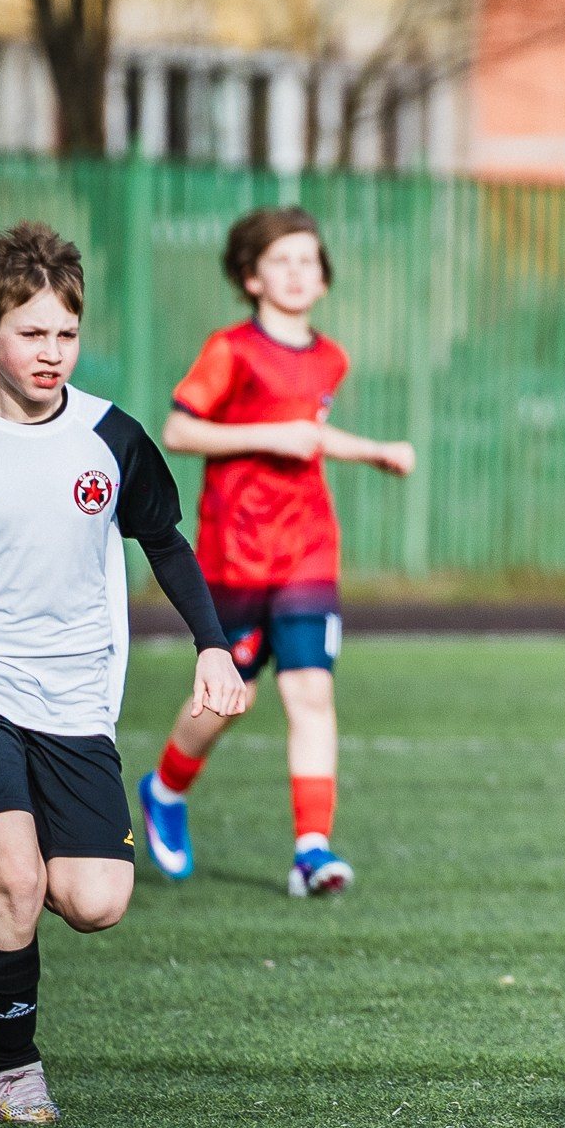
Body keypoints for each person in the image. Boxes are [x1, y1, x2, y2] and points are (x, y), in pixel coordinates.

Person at [0, 222, 249, 1123]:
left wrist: (212, 643)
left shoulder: (109, 439)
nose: (51, 353)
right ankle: (15, 1069)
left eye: (66, 334)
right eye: (31, 332)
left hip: (76, 696)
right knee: (17, 881)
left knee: (94, 900)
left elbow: (164, 539)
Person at [135, 208, 416, 896]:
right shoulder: (230, 350)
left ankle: (311, 850)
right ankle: (166, 790)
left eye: (307, 260)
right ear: (250, 275)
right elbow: (178, 430)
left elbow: (309, 434)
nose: (297, 272)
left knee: (310, 692)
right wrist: (264, 436)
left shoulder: (331, 358)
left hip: (307, 552)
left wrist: (374, 451)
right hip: (235, 554)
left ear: (323, 278)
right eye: (281, 260)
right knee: (229, 699)